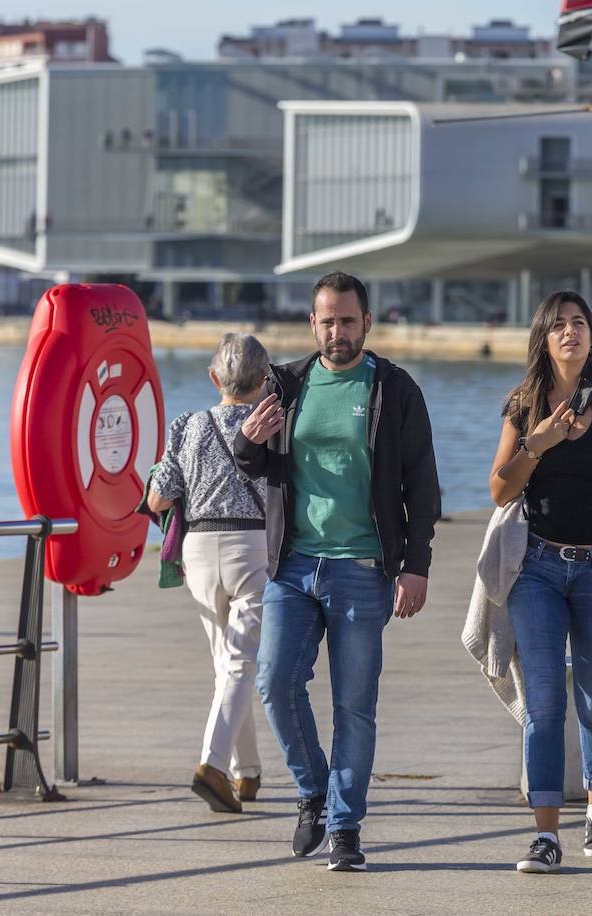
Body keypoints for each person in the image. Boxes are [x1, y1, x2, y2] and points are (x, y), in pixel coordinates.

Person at [234, 270, 441, 872]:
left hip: (362, 569)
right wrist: (247, 443)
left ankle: (346, 829)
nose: (337, 332)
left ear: (367, 323)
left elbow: (422, 486)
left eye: (348, 320)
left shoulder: (395, 390)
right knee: (274, 682)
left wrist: (415, 566)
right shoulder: (287, 384)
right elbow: (255, 463)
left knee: (354, 705)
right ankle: (313, 792)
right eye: (327, 321)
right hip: (293, 566)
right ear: (312, 323)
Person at [489, 290, 592, 874]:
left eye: (579, 323)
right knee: (543, 704)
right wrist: (540, 442)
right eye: (558, 325)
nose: (569, 333)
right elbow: (501, 489)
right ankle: (544, 833)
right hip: (535, 569)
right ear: (544, 336)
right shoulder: (524, 402)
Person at [147, 333, 271, 814]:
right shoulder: (273, 424)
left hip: (198, 550)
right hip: (254, 545)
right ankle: (212, 765)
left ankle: (249, 772)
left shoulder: (187, 425)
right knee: (240, 662)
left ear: (214, 378)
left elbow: (158, 499)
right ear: (264, 380)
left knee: (227, 662)